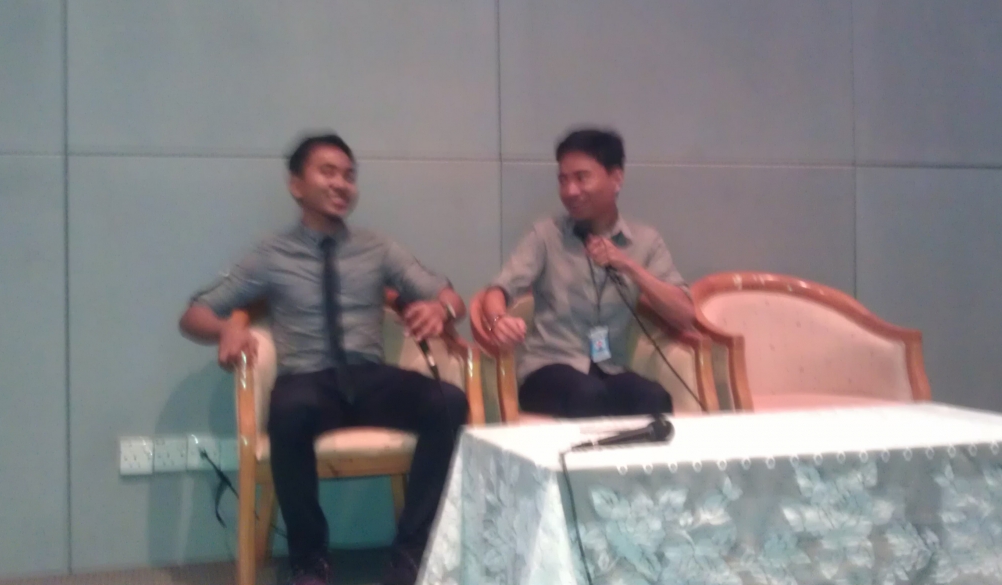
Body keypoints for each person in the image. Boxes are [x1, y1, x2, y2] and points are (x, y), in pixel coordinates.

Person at [179, 133, 467, 585]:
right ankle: (310, 559)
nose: (341, 184)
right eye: (327, 172)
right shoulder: (271, 254)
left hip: (370, 376)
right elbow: (194, 314)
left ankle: (411, 552)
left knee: (449, 403)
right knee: (287, 413)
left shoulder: (377, 247)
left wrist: (441, 310)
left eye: (349, 176)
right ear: (296, 185)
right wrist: (226, 328)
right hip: (308, 380)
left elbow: (450, 295)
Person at [480, 128, 694, 418]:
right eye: (563, 180)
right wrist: (498, 320)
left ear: (616, 178)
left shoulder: (646, 241)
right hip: (547, 370)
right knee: (588, 394)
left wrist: (628, 265)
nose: (570, 191)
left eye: (581, 178)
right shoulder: (546, 235)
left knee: (654, 399)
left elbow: (684, 314)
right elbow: (497, 290)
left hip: (609, 369)